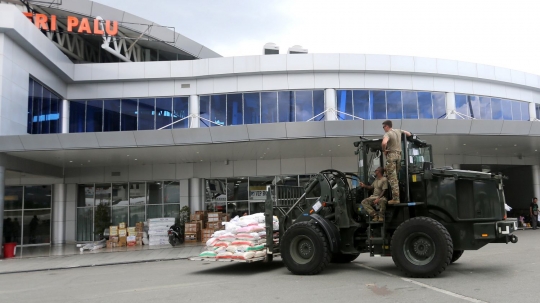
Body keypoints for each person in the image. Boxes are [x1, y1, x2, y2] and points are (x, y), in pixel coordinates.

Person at [381, 120, 412, 204]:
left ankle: (396, 199)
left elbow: (384, 143)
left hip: (391, 155)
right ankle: (397, 196)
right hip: (399, 156)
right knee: (395, 178)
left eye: (383, 127)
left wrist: (384, 150)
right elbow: (409, 134)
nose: (383, 128)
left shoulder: (388, 134)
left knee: (392, 179)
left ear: (387, 126)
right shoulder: (398, 131)